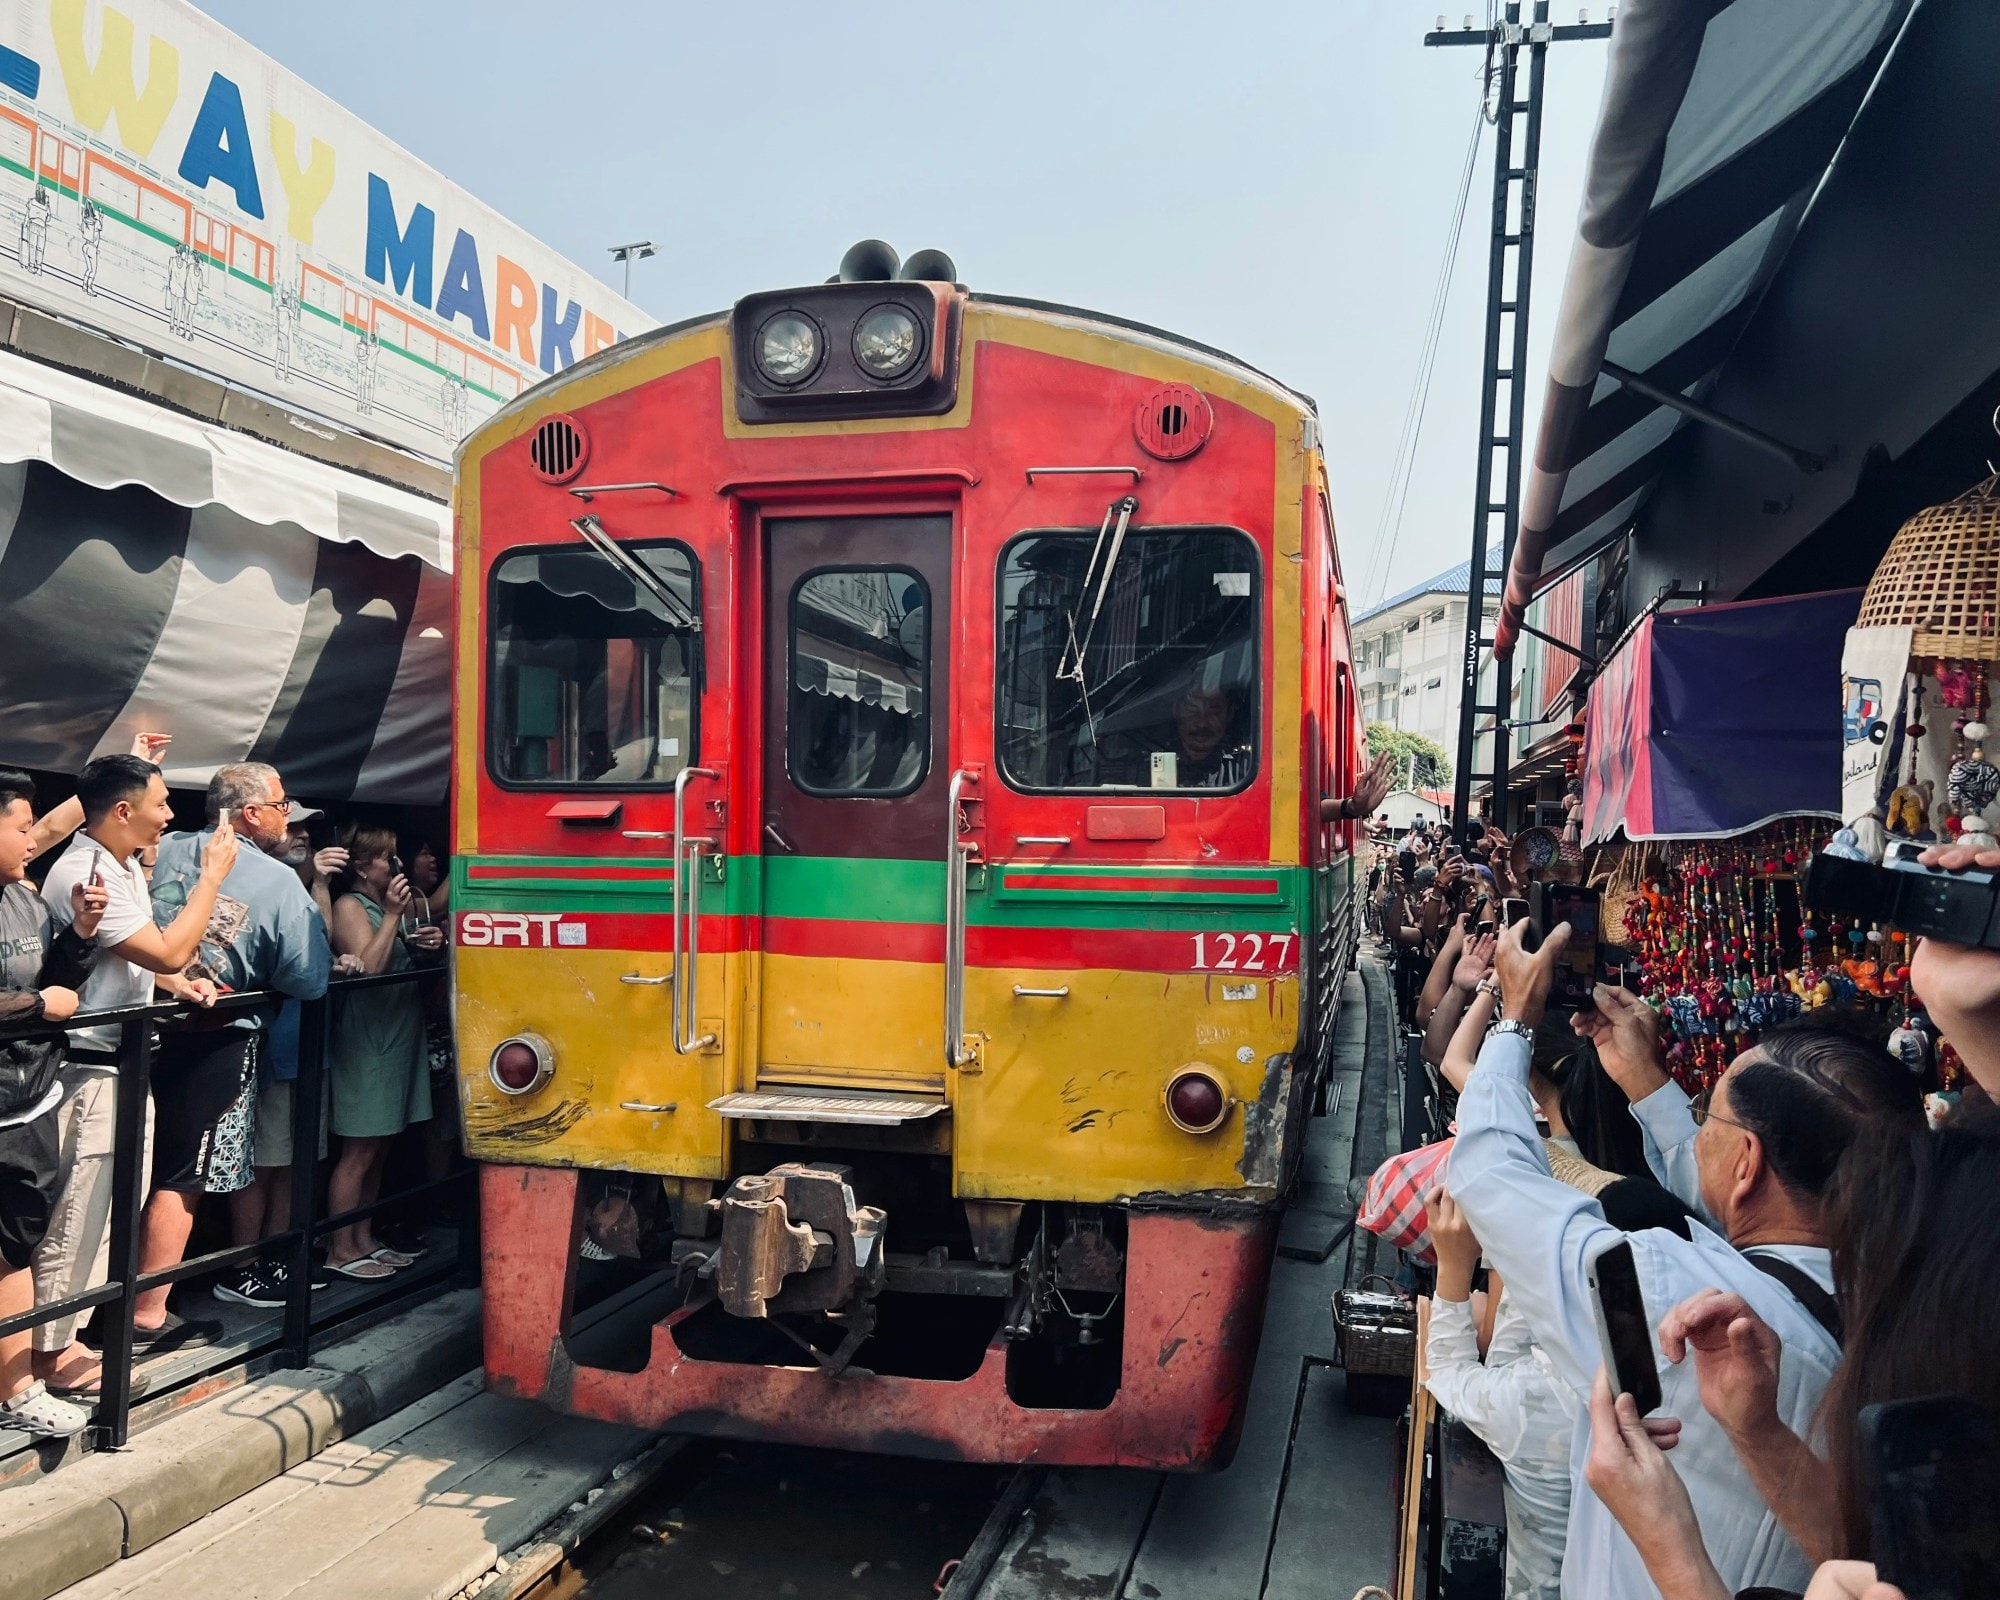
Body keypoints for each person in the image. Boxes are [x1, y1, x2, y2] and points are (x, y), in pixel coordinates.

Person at [1448, 919, 1924, 1599]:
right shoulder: (1902, 1324)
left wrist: (1517, 1016)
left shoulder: (1670, 1298)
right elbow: (1720, 1219)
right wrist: (1646, 1084)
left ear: (1749, 1164)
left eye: (1708, 1114)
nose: (1695, 1129)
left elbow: (1489, 1174)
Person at [36, 756, 235, 1372]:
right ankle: (48, 1351)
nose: (170, 815)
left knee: (104, 1211)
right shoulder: (85, 869)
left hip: (120, 1062)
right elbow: (169, 947)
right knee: (79, 1213)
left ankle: (68, 1340)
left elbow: (144, 961)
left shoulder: (118, 863)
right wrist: (211, 879)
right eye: (161, 803)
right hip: (89, 1068)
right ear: (123, 811)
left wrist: (180, 986)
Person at [133, 764, 330, 1325]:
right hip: (215, 1037)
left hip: (133, 1030)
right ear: (250, 812)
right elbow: (308, 978)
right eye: (281, 804)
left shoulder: (158, 849)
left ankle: (108, 1306)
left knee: (130, 1168)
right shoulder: (275, 880)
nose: (285, 814)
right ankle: (149, 1313)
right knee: (183, 1178)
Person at [0, 770, 100, 1438]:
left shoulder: (26, 899)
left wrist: (82, 937)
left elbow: (57, 981)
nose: (30, 838)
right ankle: (21, 1388)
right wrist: (40, 1006)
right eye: (19, 824)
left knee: (15, 1246)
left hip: (29, 1102)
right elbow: (44, 998)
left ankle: (18, 1388)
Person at [324, 827, 440, 1278]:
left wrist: (426, 947)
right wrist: (393, 917)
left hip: (396, 1033)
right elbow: (369, 967)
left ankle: (362, 1238)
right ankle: (340, 1248)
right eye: (386, 859)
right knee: (359, 1148)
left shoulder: (387, 906)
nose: (395, 867)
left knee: (381, 1145)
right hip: (368, 1037)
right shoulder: (350, 905)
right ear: (360, 866)